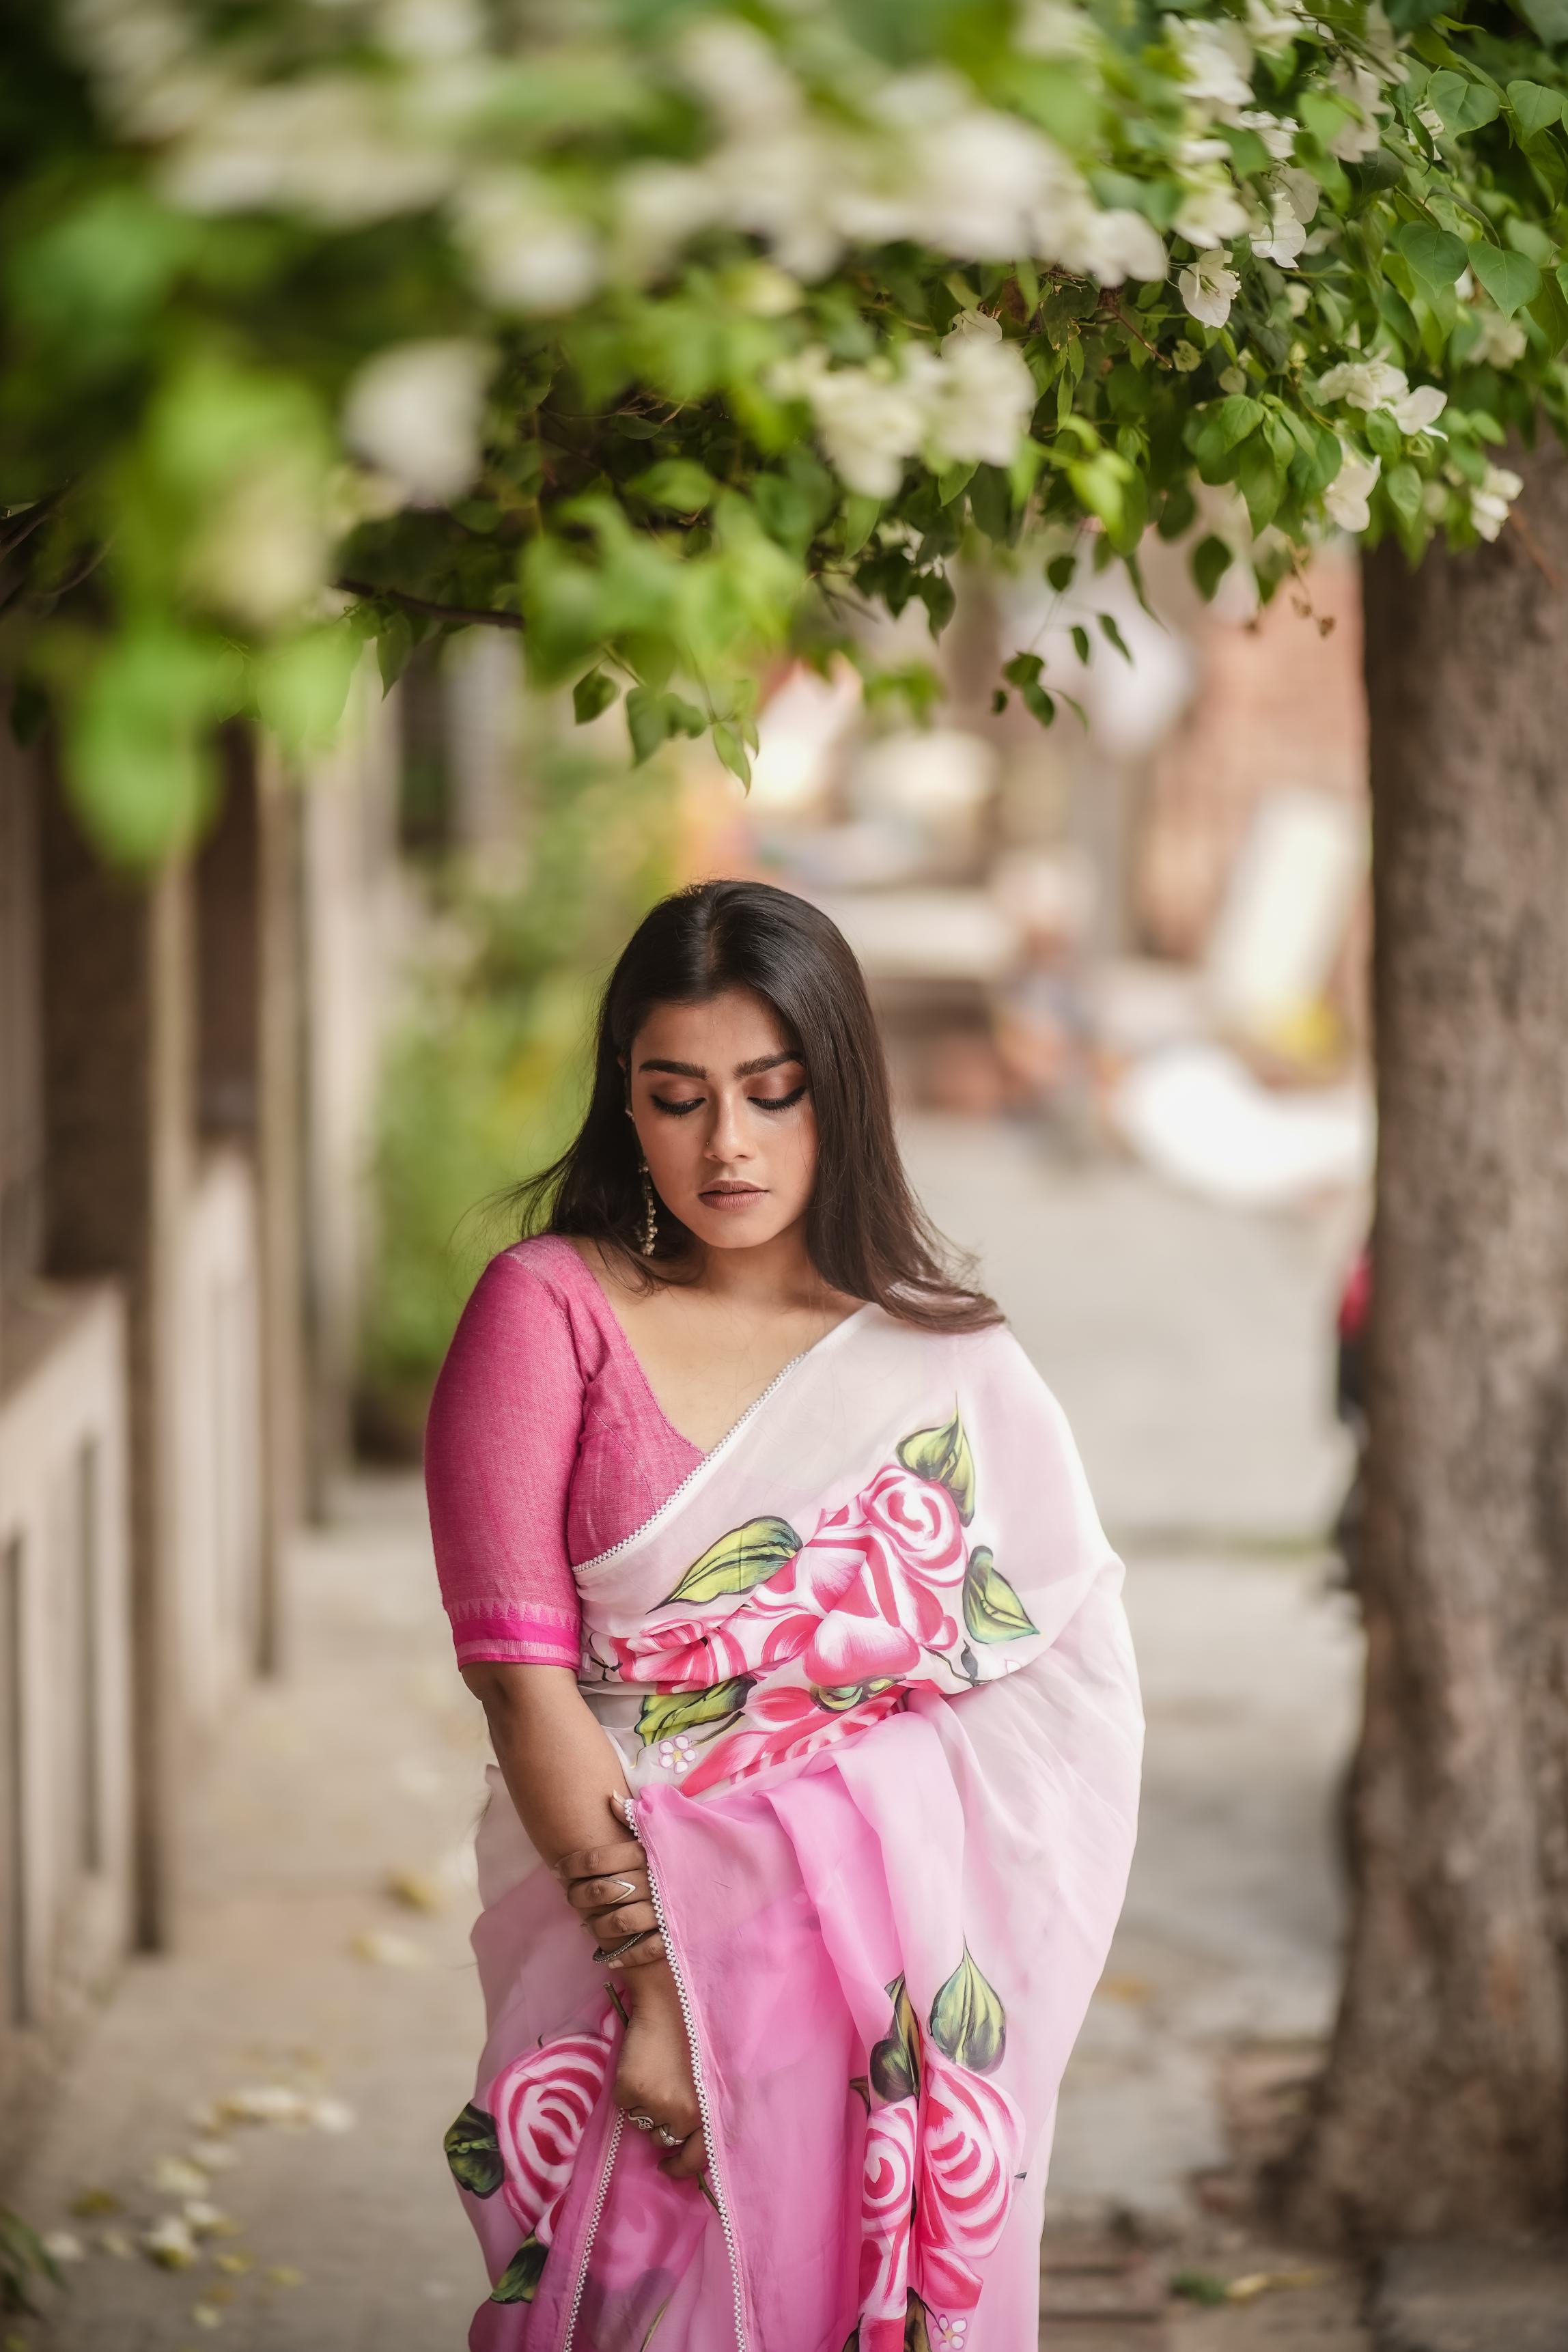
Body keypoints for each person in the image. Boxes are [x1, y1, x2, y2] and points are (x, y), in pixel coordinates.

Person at [425, 879, 1142, 2352]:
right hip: (619, 1930)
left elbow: (1057, 1673)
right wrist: (661, 1995)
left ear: (842, 1096)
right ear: (623, 1104)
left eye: (770, 1092)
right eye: (674, 1097)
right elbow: (520, 1683)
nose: (725, 1145)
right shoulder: (550, 1308)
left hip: (864, 1976)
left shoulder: (942, 1363)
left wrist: (844, 1857)